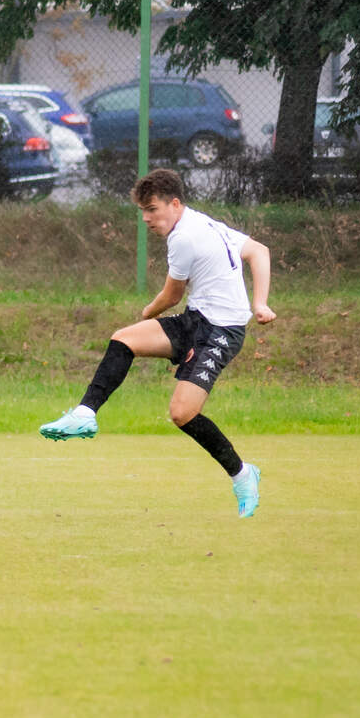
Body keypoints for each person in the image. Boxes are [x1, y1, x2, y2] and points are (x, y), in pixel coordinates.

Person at [39, 168, 276, 516]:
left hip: (221, 331)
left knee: (182, 413)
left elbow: (172, 295)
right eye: (143, 211)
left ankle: (243, 475)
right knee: (124, 339)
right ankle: (85, 414)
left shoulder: (184, 237)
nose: (147, 219)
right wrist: (260, 303)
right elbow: (259, 251)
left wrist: (148, 312)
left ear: (175, 204)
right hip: (197, 318)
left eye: (152, 209)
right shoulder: (203, 222)